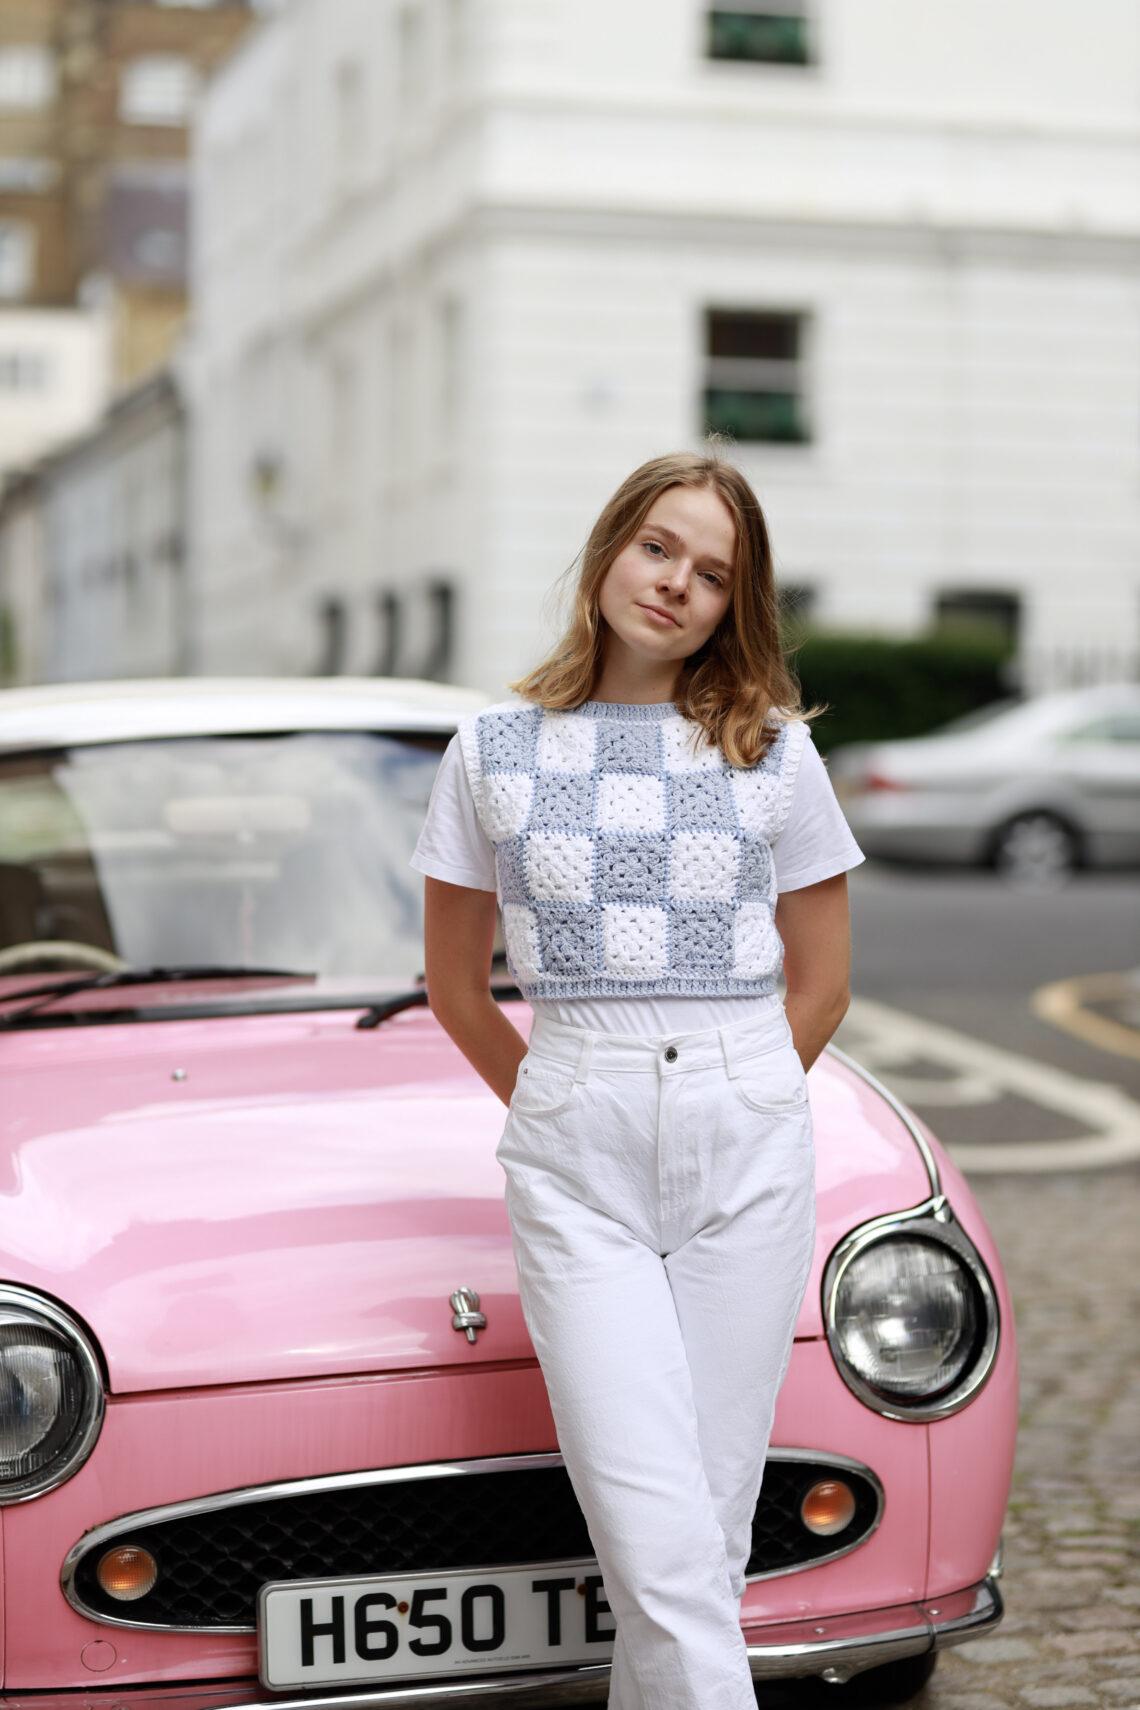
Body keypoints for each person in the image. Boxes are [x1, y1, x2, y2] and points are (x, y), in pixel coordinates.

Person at [409, 449, 865, 1709]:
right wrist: (570, 1102)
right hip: (576, 1147)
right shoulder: (493, 749)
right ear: (610, 549)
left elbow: (820, 986)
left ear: (737, 603)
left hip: (745, 1136)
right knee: (662, 1538)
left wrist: (743, 1094)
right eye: (658, 547)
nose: (675, 585)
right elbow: (456, 989)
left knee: (698, 1543)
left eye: (713, 574)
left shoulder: (773, 753)